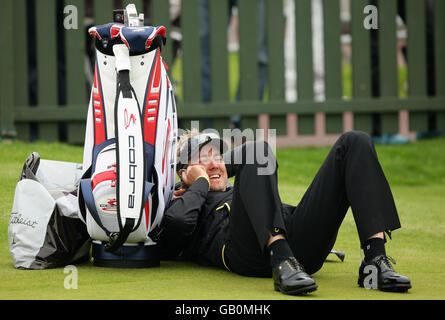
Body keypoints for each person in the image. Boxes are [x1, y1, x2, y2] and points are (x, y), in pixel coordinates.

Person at [158, 129, 412, 295]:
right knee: (257, 150)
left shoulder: (241, 182)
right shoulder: (185, 202)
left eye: (218, 156)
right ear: (184, 173)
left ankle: (374, 261)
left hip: (300, 249)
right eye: (202, 159)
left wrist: (213, 166)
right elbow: (176, 226)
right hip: (245, 253)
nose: (214, 163)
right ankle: (281, 261)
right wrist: (198, 183)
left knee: (355, 141)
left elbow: (243, 159)